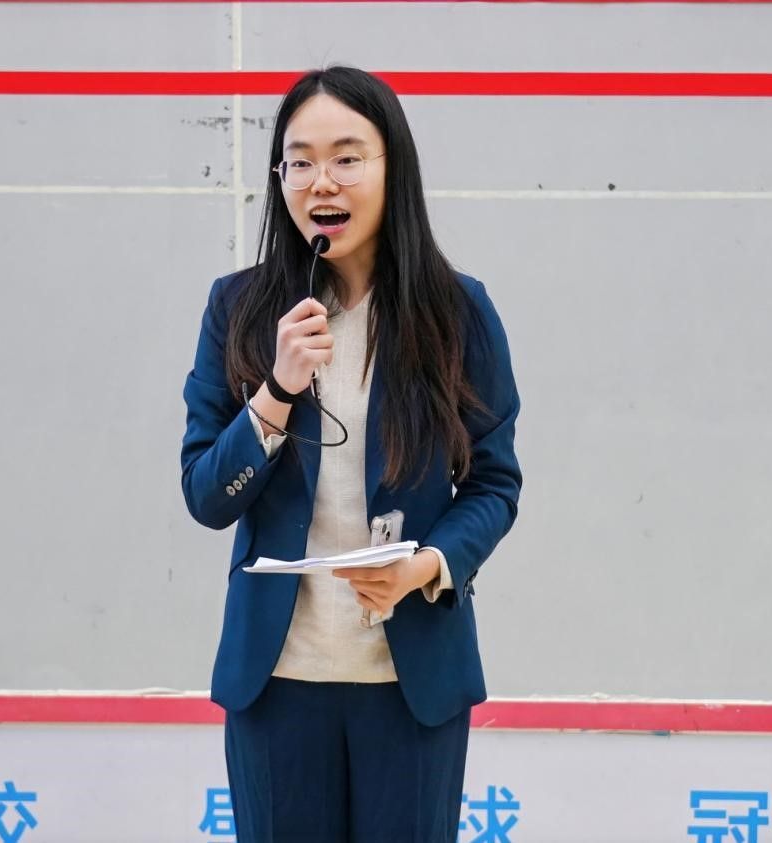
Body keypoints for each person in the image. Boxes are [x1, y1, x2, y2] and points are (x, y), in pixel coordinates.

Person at [180, 65, 521, 842]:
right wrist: (276, 389)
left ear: (392, 168)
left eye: (345, 157)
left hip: (410, 681)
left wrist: (427, 565)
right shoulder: (238, 308)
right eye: (299, 161)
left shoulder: (457, 311)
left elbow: (494, 484)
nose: (321, 181)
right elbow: (207, 494)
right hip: (277, 680)